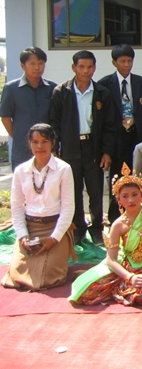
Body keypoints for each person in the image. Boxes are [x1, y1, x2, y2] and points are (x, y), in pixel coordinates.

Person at [69, 164, 142, 306]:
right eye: (125, 196)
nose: (131, 200)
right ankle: (119, 284)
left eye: (135, 194)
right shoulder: (118, 225)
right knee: (87, 292)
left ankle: (120, 286)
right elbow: (111, 259)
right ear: (119, 200)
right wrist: (130, 277)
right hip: (127, 267)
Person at [49, 50, 118, 246]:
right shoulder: (61, 92)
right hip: (70, 146)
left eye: (89, 67)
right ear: (74, 68)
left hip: (93, 147)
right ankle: (78, 228)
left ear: (94, 68)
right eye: (81, 67)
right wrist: (55, 149)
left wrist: (107, 152)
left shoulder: (102, 93)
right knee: (73, 189)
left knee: (96, 190)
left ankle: (97, 228)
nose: (86, 71)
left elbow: (110, 125)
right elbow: (54, 123)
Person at [1, 124, 75, 291]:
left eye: (44, 141)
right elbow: (17, 206)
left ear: (53, 143)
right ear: (29, 144)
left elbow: (68, 208)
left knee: (51, 276)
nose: (40, 146)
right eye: (35, 142)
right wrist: (23, 236)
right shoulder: (21, 171)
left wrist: (54, 238)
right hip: (30, 229)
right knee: (16, 274)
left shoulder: (64, 169)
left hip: (55, 228)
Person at [98, 44, 142, 224]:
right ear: (114, 62)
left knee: (137, 176)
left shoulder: (141, 82)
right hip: (116, 139)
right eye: (122, 61)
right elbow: (102, 117)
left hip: (136, 137)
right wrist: (105, 148)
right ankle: (116, 218)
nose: (126, 65)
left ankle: (139, 216)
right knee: (117, 179)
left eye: (129, 61)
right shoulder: (104, 84)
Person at [0, 47, 56, 170]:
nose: (37, 67)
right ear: (22, 66)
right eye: (32, 64)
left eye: (40, 63)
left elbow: (57, 117)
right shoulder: (11, 88)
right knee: (23, 179)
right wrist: (20, 137)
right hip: (22, 149)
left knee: (49, 179)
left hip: (47, 147)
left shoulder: (52, 88)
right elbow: (5, 117)